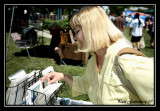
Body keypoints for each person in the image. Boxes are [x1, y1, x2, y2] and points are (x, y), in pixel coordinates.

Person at [40, 6, 153, 105]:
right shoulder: (95, 57)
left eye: (77, 31)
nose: (75, 37)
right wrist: (63, 76)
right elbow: (87, 83)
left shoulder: (127, 59)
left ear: (92, 30)